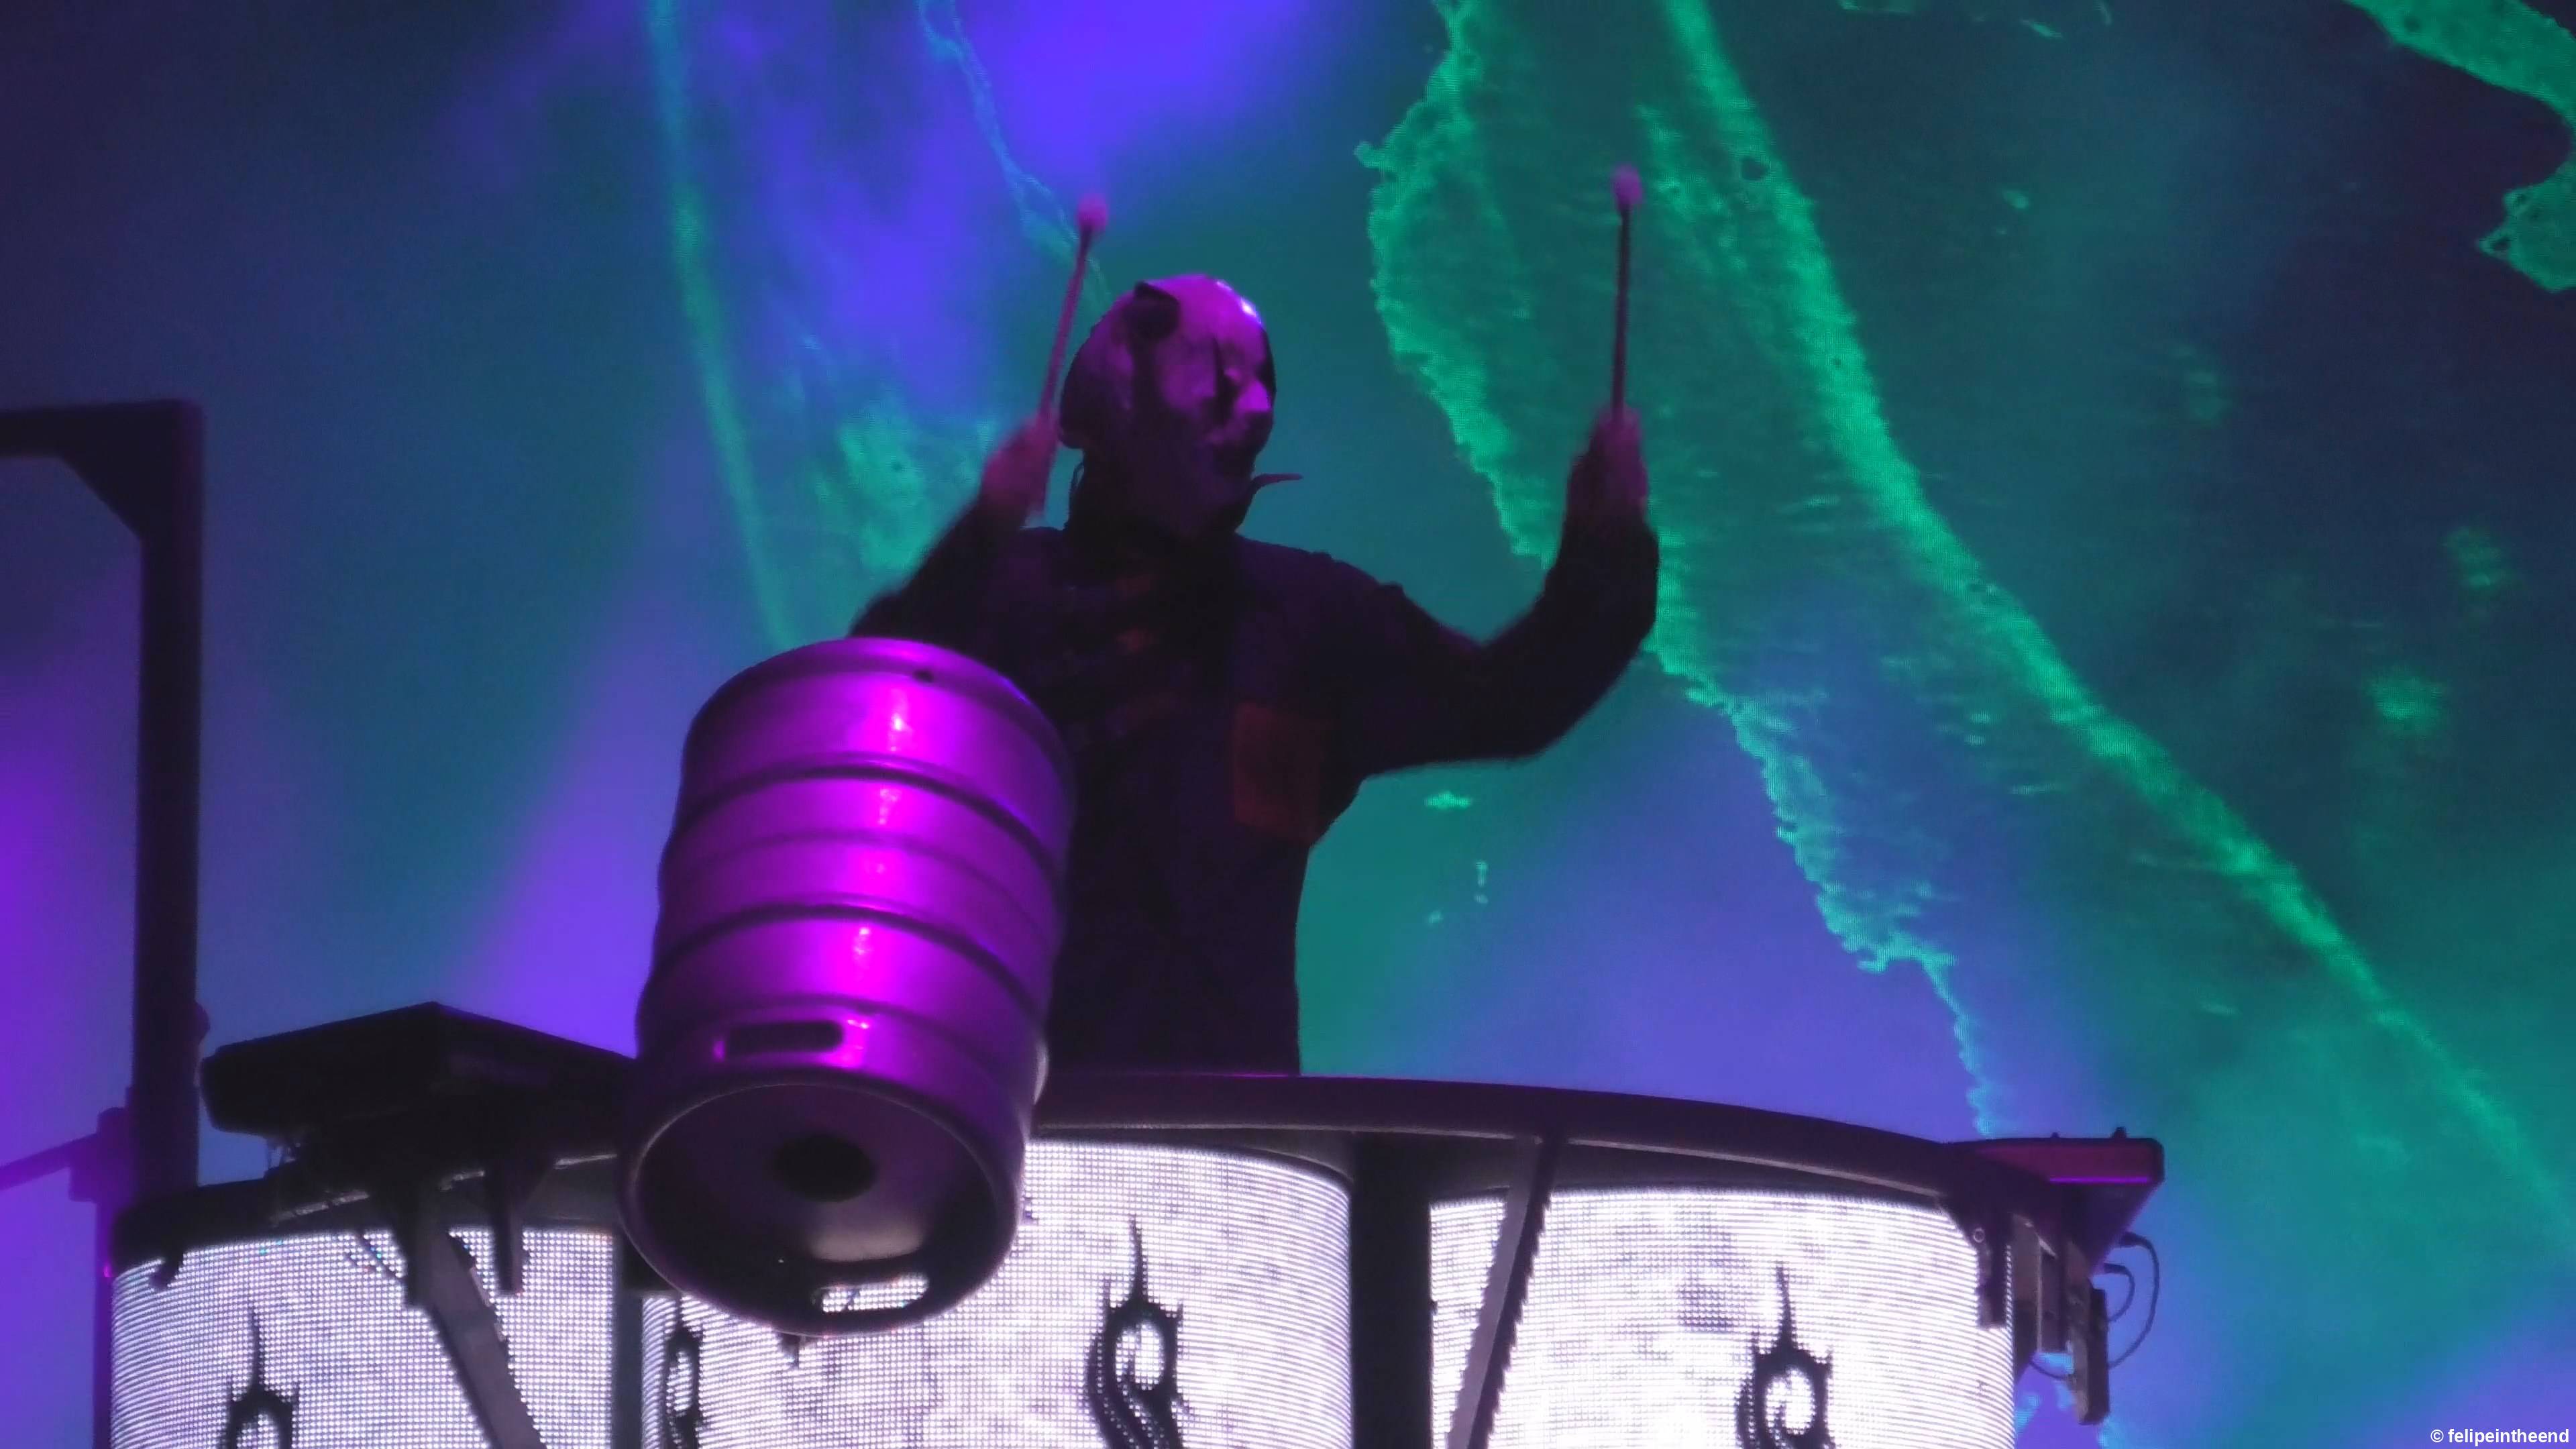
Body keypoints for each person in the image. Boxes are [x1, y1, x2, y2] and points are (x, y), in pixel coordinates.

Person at [854, 274, 1657, 1073]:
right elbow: (865, 706)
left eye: (1259, 385)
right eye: (1221, 381)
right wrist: (977, 539)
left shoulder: (1309, 622)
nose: (1255, 410)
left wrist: (1608, 546)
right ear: (1117, 398)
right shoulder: (1011, 597)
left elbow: (1511, 701)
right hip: (1023, 1106)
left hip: (1224, 1126)